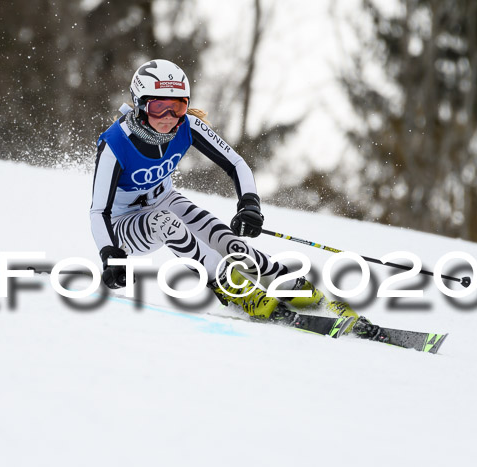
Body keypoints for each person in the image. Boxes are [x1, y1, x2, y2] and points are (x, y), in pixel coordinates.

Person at [89, 59, 381, 338]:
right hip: (122, 225)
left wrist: (249, 205)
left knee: (233, 244)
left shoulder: (187, 126)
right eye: (158, 107)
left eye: (177, 107)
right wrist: (109, 254)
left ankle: (306, 295)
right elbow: (98, 210)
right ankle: (229, 286)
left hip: (165, 200)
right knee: (166, 222)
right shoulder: (116, 142)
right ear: (140, 105)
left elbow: (236, 164)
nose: (169, 118)